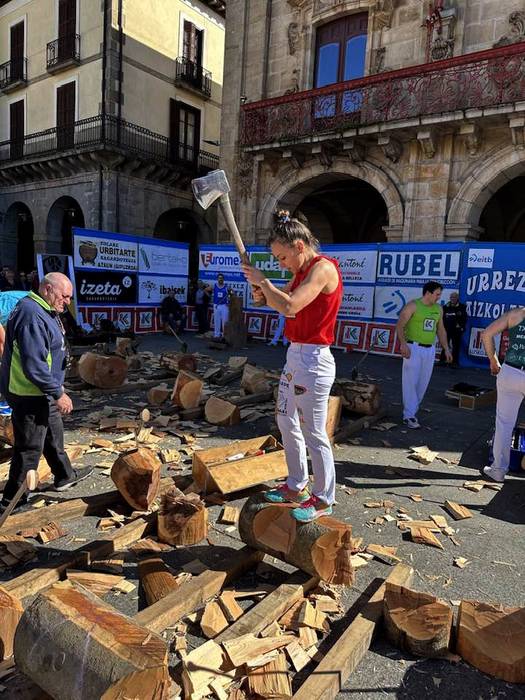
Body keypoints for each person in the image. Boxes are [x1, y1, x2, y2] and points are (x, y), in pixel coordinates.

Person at [242, 211, 342, 523]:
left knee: (314, 431)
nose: (282, 264)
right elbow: (275, 300)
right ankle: (296, 485)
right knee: (286, 420)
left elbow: (289, 306)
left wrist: (265, 283)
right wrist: (261, 292)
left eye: (283, 257)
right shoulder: (300, 273)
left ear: (300, 246)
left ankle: (324, 497)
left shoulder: (322, 269)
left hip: (314, 359)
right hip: (296, 356)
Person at [0, 273, 93, 516]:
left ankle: (64, 475)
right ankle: (13, 499)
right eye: (64, 296)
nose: (67, 301)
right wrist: (58, 392)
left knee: (53, 432)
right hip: (30, 393)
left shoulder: (43, 309)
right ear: (47, 289)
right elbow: (34, 366)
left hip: (42, 392)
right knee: (29, 447)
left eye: (70, 297)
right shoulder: (31, 315)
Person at [396, 281, 452, 429]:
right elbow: (400, 325)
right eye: (437, 294)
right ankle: (408, 415)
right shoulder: (413, 306)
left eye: (440, 294)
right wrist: (403, 344)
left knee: (422, 383)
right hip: (413, 347)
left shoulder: (438, 309)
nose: (439, 297)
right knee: (410, 382)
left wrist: (446, 348)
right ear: (428, 293)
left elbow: (440, 330)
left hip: (430, 349)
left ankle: (412, 411)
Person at [481, 307, 525, 483]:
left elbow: (486, 334)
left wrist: (493, 361)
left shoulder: (516, 314)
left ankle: (498, 470)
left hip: (511, 371)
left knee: (504, 424)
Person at [440, 292, 467, 367]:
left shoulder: (462, 307)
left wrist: (462, 327)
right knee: (445, 345)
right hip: (447, 329)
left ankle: (454, 362)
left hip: (457, 330)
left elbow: (464, 319)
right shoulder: (446, 306)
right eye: (451, 297)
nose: (452, 299)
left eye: (454, 297)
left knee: (456, 346)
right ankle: (442, 360)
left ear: (457, 298)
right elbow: (442, 318)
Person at [206, 274, 229, 339]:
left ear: (223, 279)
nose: (220, 279)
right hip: (216, 305)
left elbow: (232, 293)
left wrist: (228, 301)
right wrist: (210, 297)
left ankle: (225, 335)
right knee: (217, 320)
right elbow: (205, 290)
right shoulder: (214, 286)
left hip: (224, 306)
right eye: (219, 278)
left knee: (225, 321)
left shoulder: (226, 287)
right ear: (217, 279)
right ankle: (217, 335)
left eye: (221, 278)